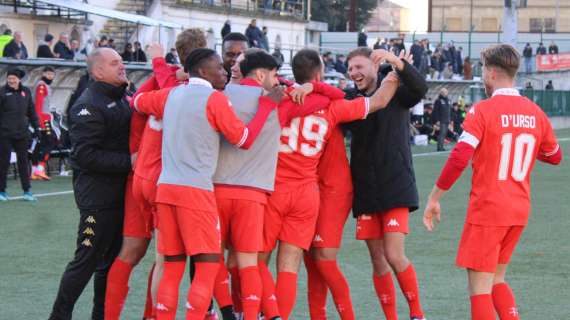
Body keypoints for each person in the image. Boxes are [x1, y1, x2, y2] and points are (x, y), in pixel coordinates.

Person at [133, 48, 278, 320]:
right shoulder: (214, 99)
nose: (225, 72)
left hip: (165, 190)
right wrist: (268, 106)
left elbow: (138, 101)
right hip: (196, 193)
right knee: (208, 268)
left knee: (172, 268)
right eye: (218, 68)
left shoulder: (171, 94)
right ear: (202, 71)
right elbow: (244, 139)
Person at [423, 44, 562, 320]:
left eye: (483, 70)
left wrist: (434, 197)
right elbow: (554, 155)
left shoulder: (483, 110)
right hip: (518, 210)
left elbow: (460, 155)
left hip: (489, 209)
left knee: (479, 289)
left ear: (493, 72)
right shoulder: (535, 112)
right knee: (497, 280)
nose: (483, 76)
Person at [259, 48, 400, 320]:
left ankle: (266, 313)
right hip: (307, 192)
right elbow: (380, 101)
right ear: (320, 73)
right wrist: (396, 71)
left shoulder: (276, 99)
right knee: (291, 264)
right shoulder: (331, 106)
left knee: (256, 261)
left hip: (274, 188)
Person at [104, 29, 207, 320]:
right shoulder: (200, 88)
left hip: (139, 177)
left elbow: (137, 104)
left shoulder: (160, 79)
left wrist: (135, 147)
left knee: (131, 250)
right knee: (169, 258)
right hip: (167, 180)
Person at [341, 47, 428, 320]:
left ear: (374, 65)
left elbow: (420, 87)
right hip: (366, 191)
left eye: (359, 67)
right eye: (350, 68)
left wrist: (398, 64)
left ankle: (417, 314)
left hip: (396, 187)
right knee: (378, 261)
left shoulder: (398, 92)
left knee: (393, 254)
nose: (354, 72)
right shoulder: (351, 98)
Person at [48, 48, 132, 320]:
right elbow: (84, 155)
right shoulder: (87, 105)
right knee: (86, 260)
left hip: (121, 198)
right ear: (97, 72)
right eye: (114, 63)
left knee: (110, 264)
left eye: (121, 61)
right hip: (97, 201)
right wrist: (131, 161)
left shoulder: (122, 98)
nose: (122, 66)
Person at [0, 68, 39, 202]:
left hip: (22, 133)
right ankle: (1, 191)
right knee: (3, 163)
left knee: (23, 162)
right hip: (5, 133)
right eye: (9, 78)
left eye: (14, 78)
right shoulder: (2, 92)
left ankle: (27, 191)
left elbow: (31, 111)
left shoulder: (26, 92)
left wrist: (37, 127)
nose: (11, 80)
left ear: (19, 79)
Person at [31, 66, 57, 181]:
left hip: (43, 118)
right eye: (48, 74)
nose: (50, 76)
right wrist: (39, 122)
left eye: (52, 75)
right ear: (43, 74)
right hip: (43, 120)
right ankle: (40, 169)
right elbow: (38, 105)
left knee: (39, 144)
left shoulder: (44, 85)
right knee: (50, 142)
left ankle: (34, 170)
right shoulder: (42, 86)